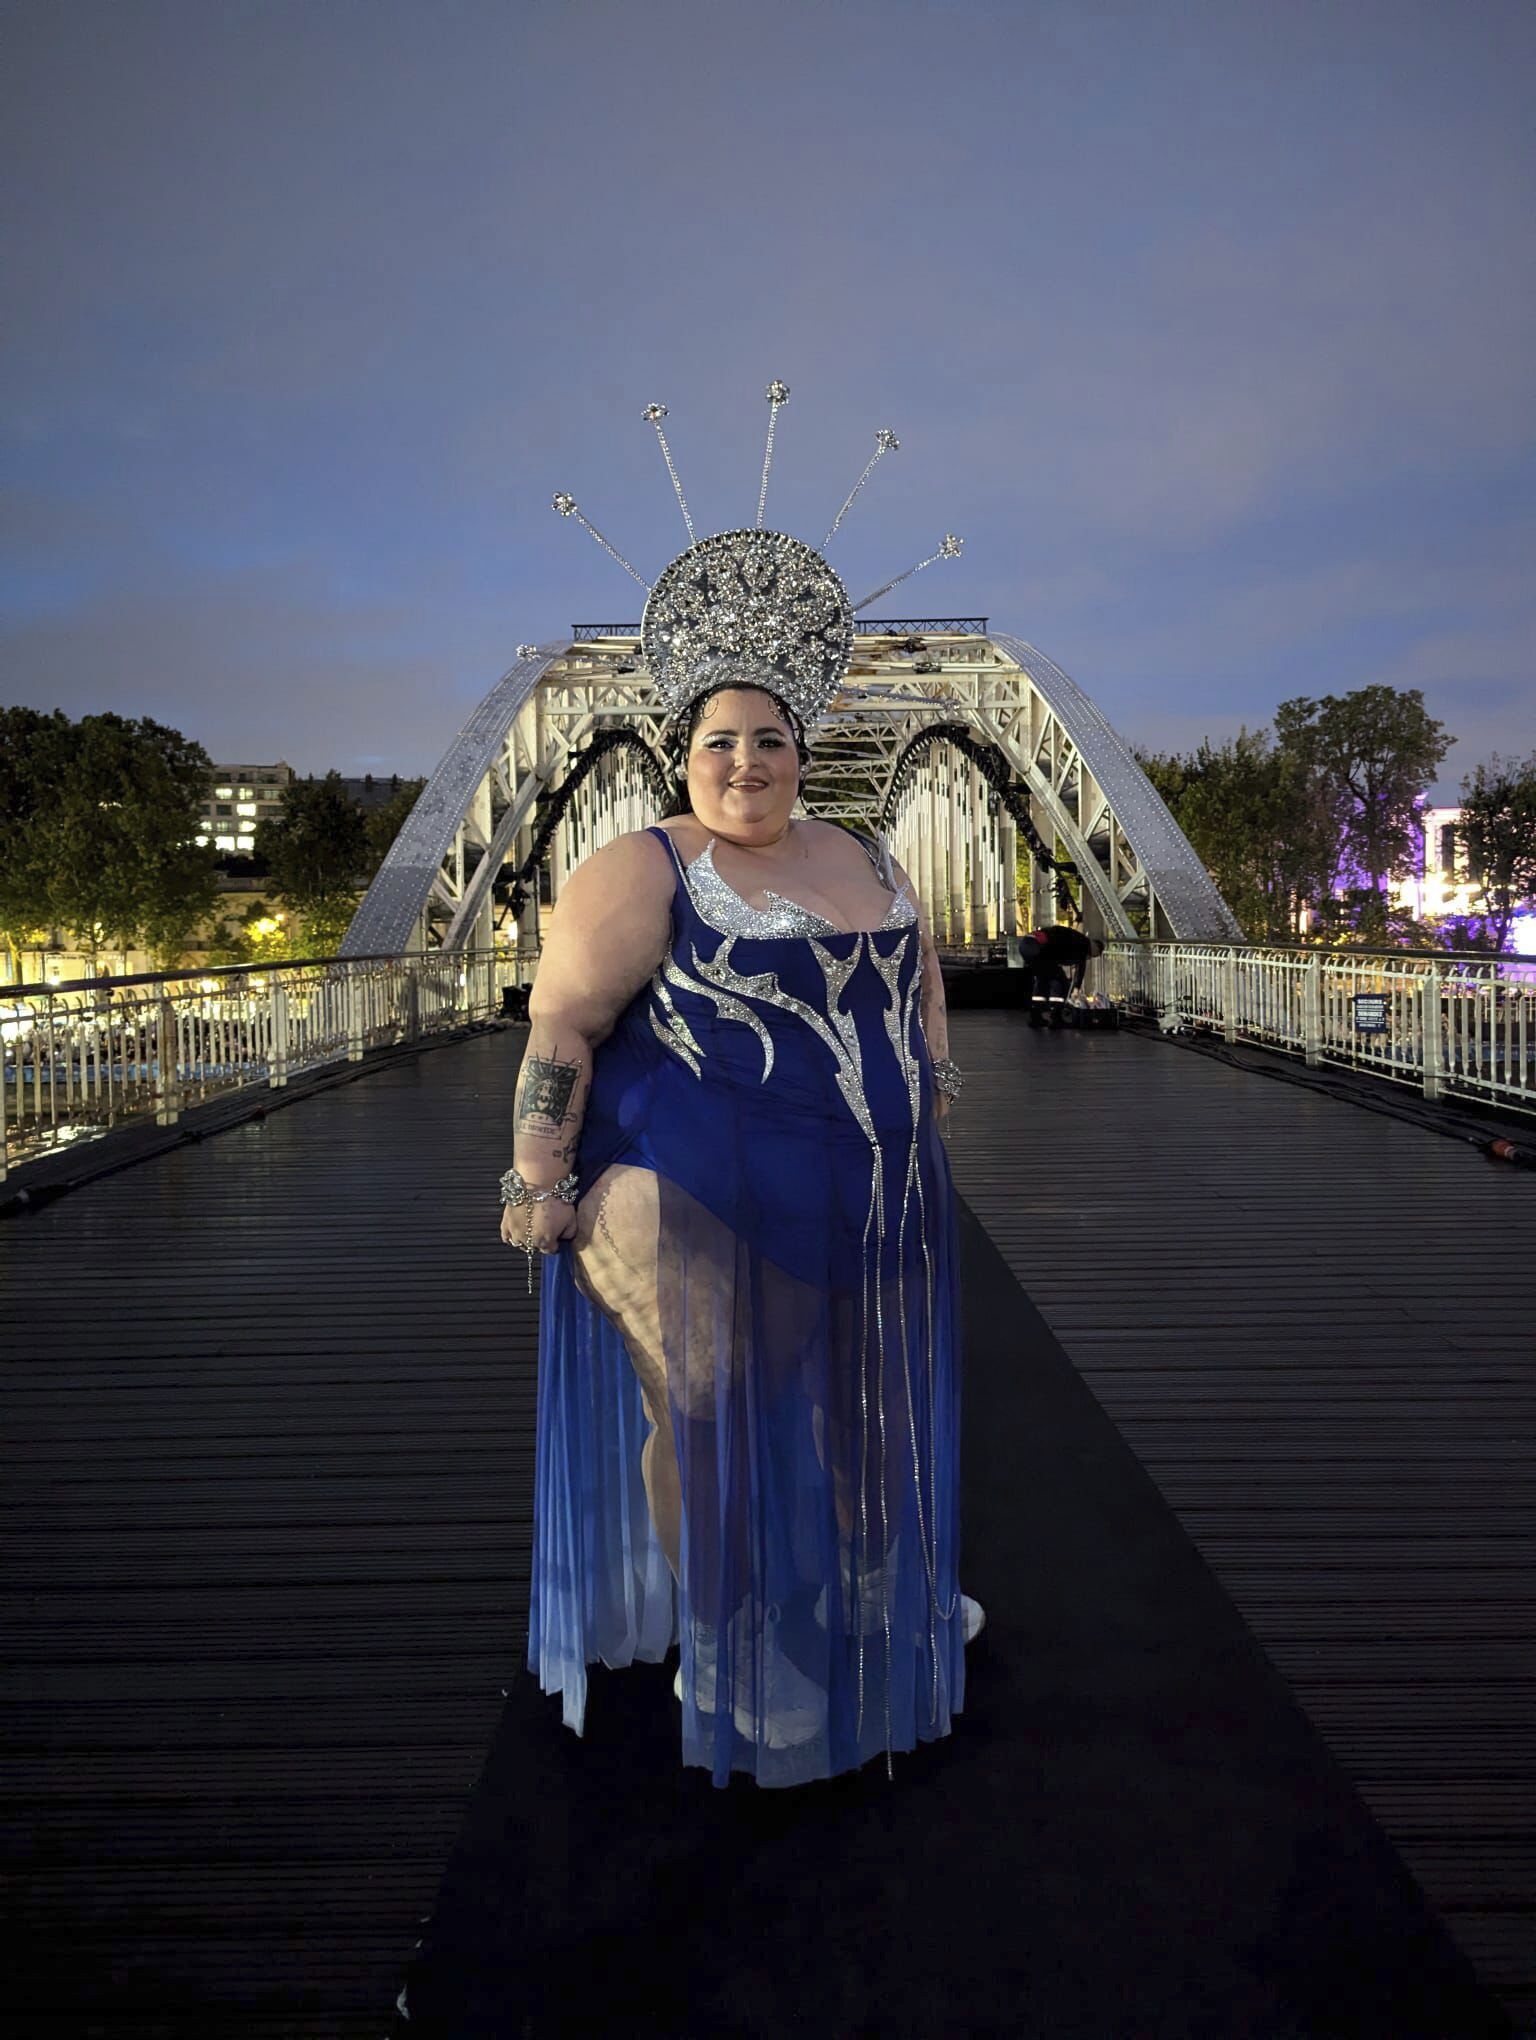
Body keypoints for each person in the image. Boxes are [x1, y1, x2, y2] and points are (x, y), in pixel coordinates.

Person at [501, 666, 978, 1788]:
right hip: (699, 1185)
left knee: (871, 1391)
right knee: (711, 1401)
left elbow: (923, 979)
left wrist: (936, 1080)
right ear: (684, 756)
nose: (746, 763)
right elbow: (564, 1020)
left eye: (770, 739)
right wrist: (537, 1177)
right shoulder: (643, 864)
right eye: (719, 742)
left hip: (871, 1181)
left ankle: (871, 1582)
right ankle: (724, 1641)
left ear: (802, 753)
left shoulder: (861, 854)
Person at [1022, 923, 1104, 1027]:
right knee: (1059, 981)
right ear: (1095, 947)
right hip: (1039, 947)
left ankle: (1035, 1016)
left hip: (1027, 944)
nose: (1089, 958)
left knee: (1042, 979)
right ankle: (1055, 1017)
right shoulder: (1084, 943)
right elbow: (1080, 968)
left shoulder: (1075, 939)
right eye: (1093, 955)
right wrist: (1076, 987)